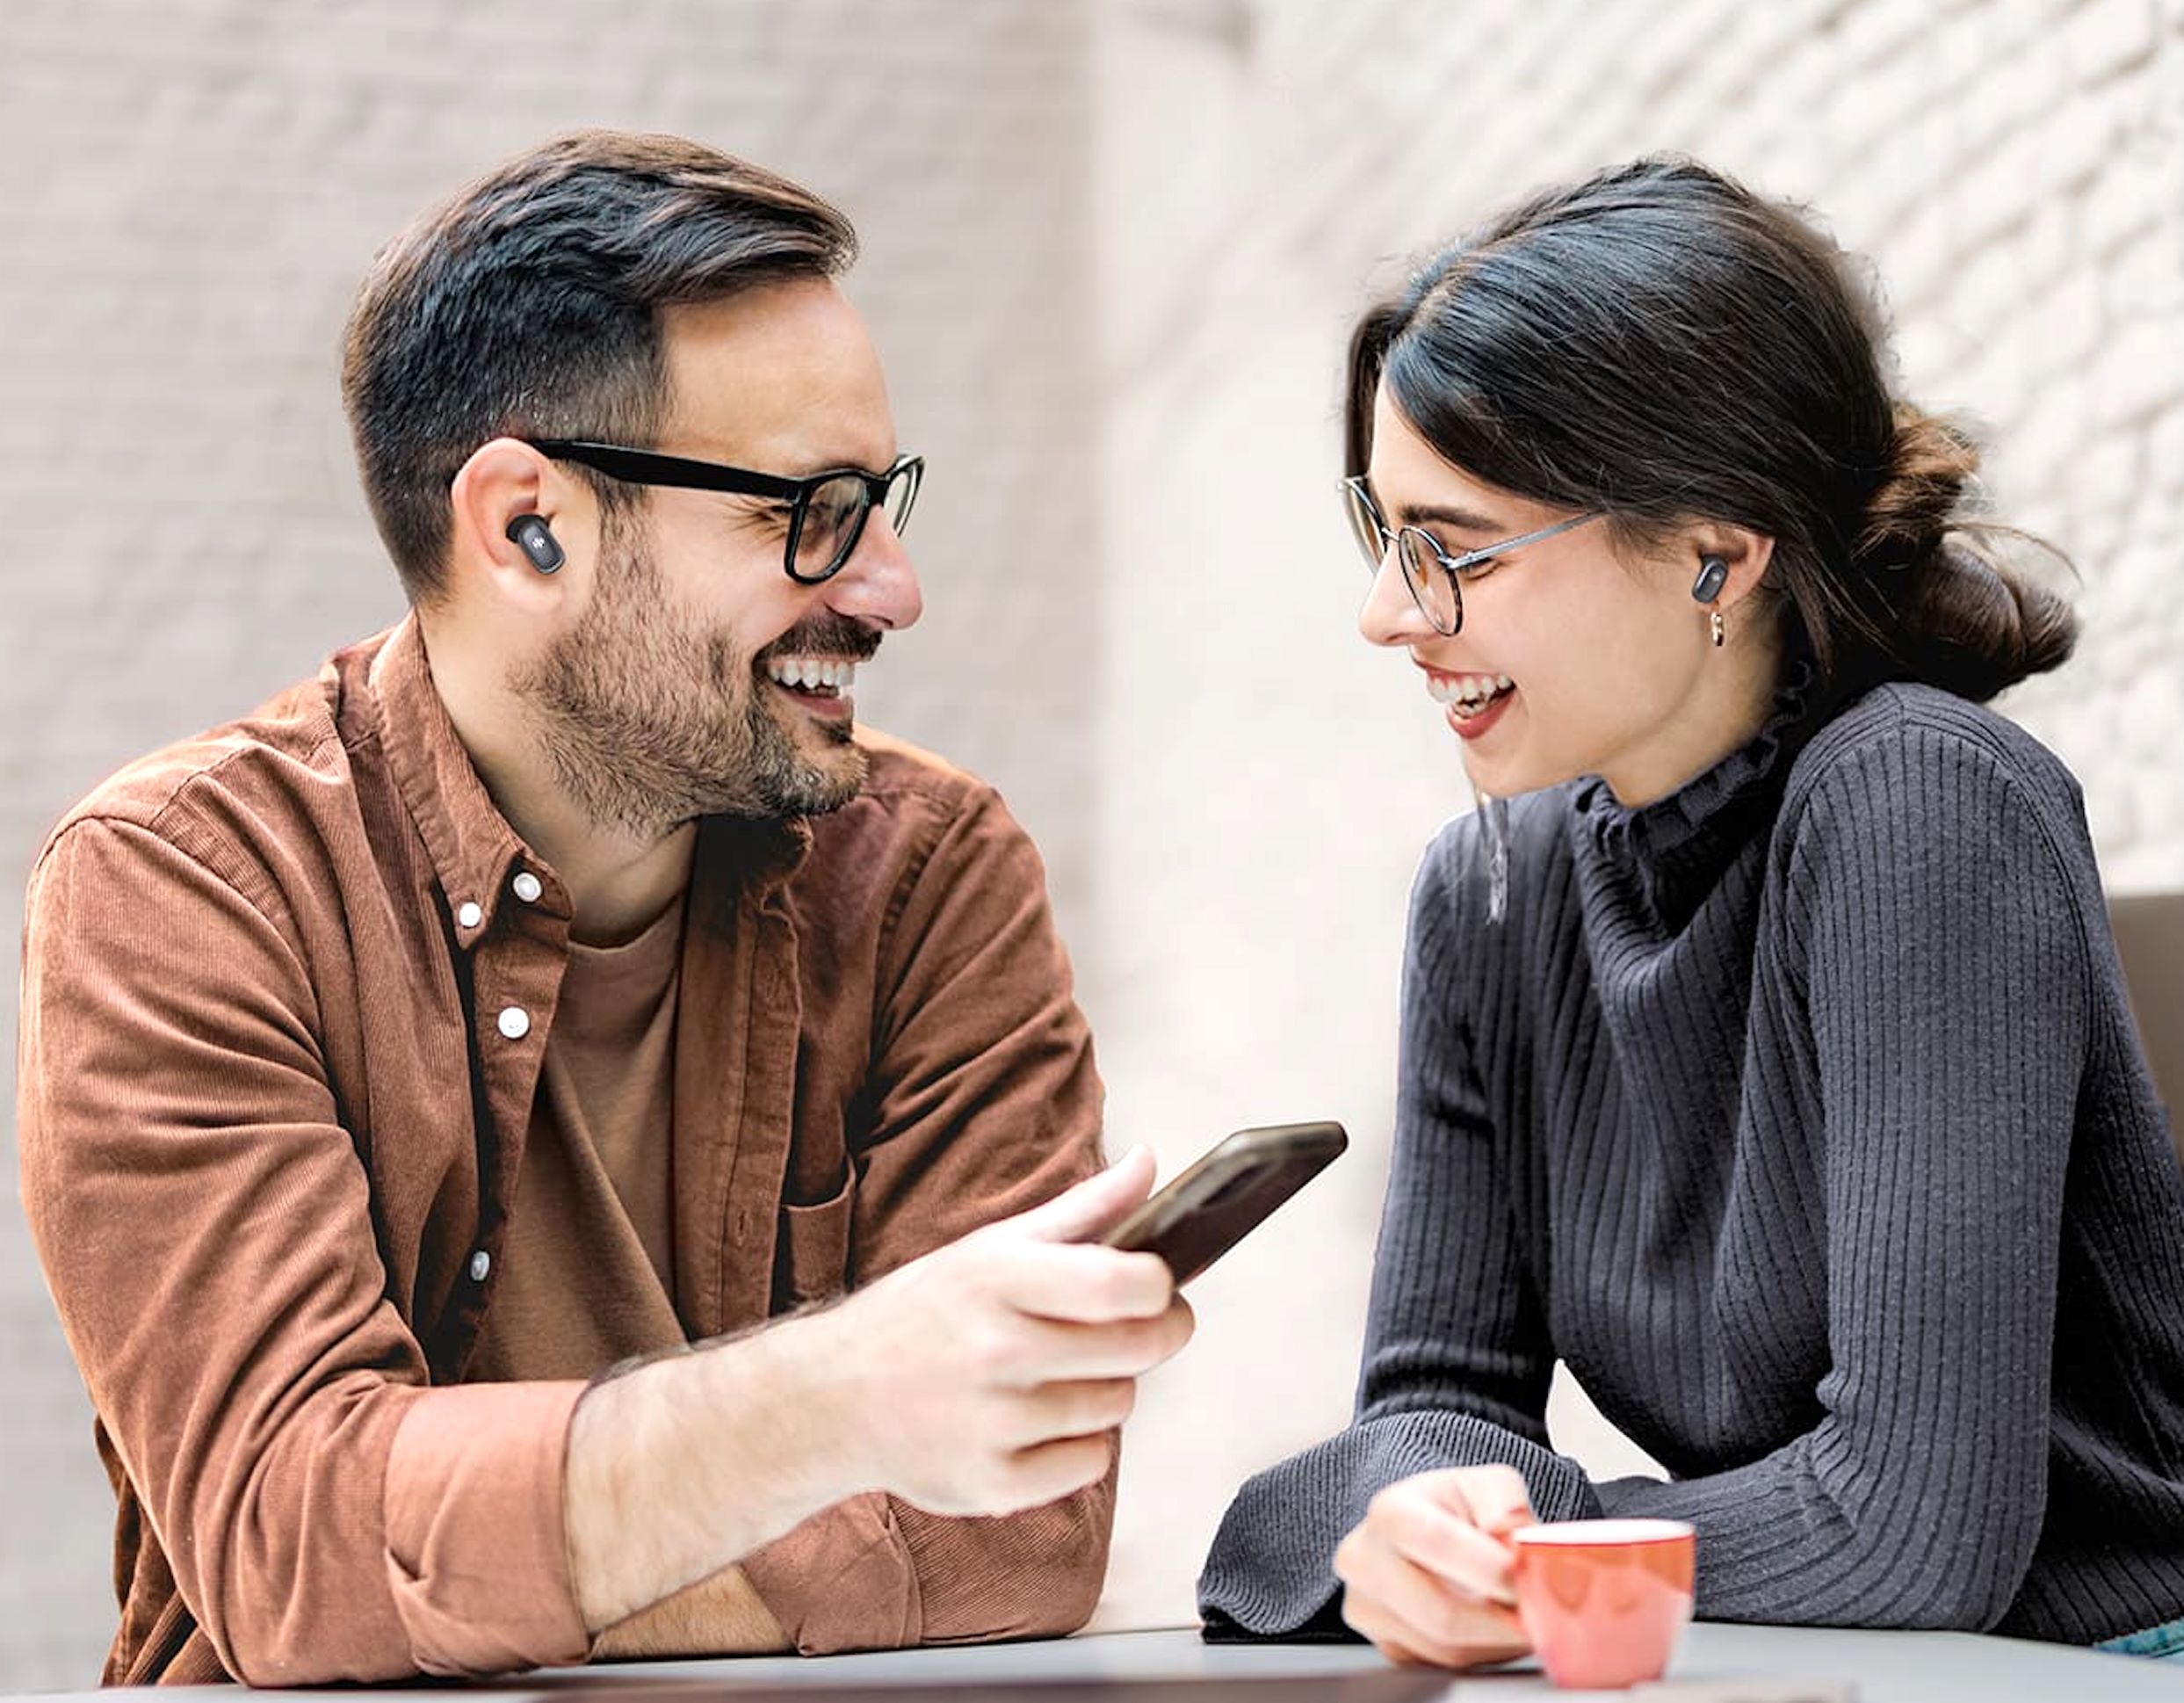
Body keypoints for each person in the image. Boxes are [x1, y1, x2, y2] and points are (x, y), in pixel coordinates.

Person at [17, 130, 1193, 1686]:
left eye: (882, 501)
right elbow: (297, 1548)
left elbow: (1018, 1533)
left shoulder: (930, 875)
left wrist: (445, 1562)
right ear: (527, 528)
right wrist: (843, 1402)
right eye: (813, 511)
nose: (891, 587)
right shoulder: (185, 888)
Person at [1197, 156, 2184, 1665]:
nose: (1390, 613)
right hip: (1803, 1659)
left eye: (1453, 547)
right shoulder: (1490, 889)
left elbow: (1913, 1527)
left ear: (1714, 553)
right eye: (1380, 532)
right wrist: (1426, 1514)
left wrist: (1519, 1546)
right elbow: (1430, 1405)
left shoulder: (1916, 801)